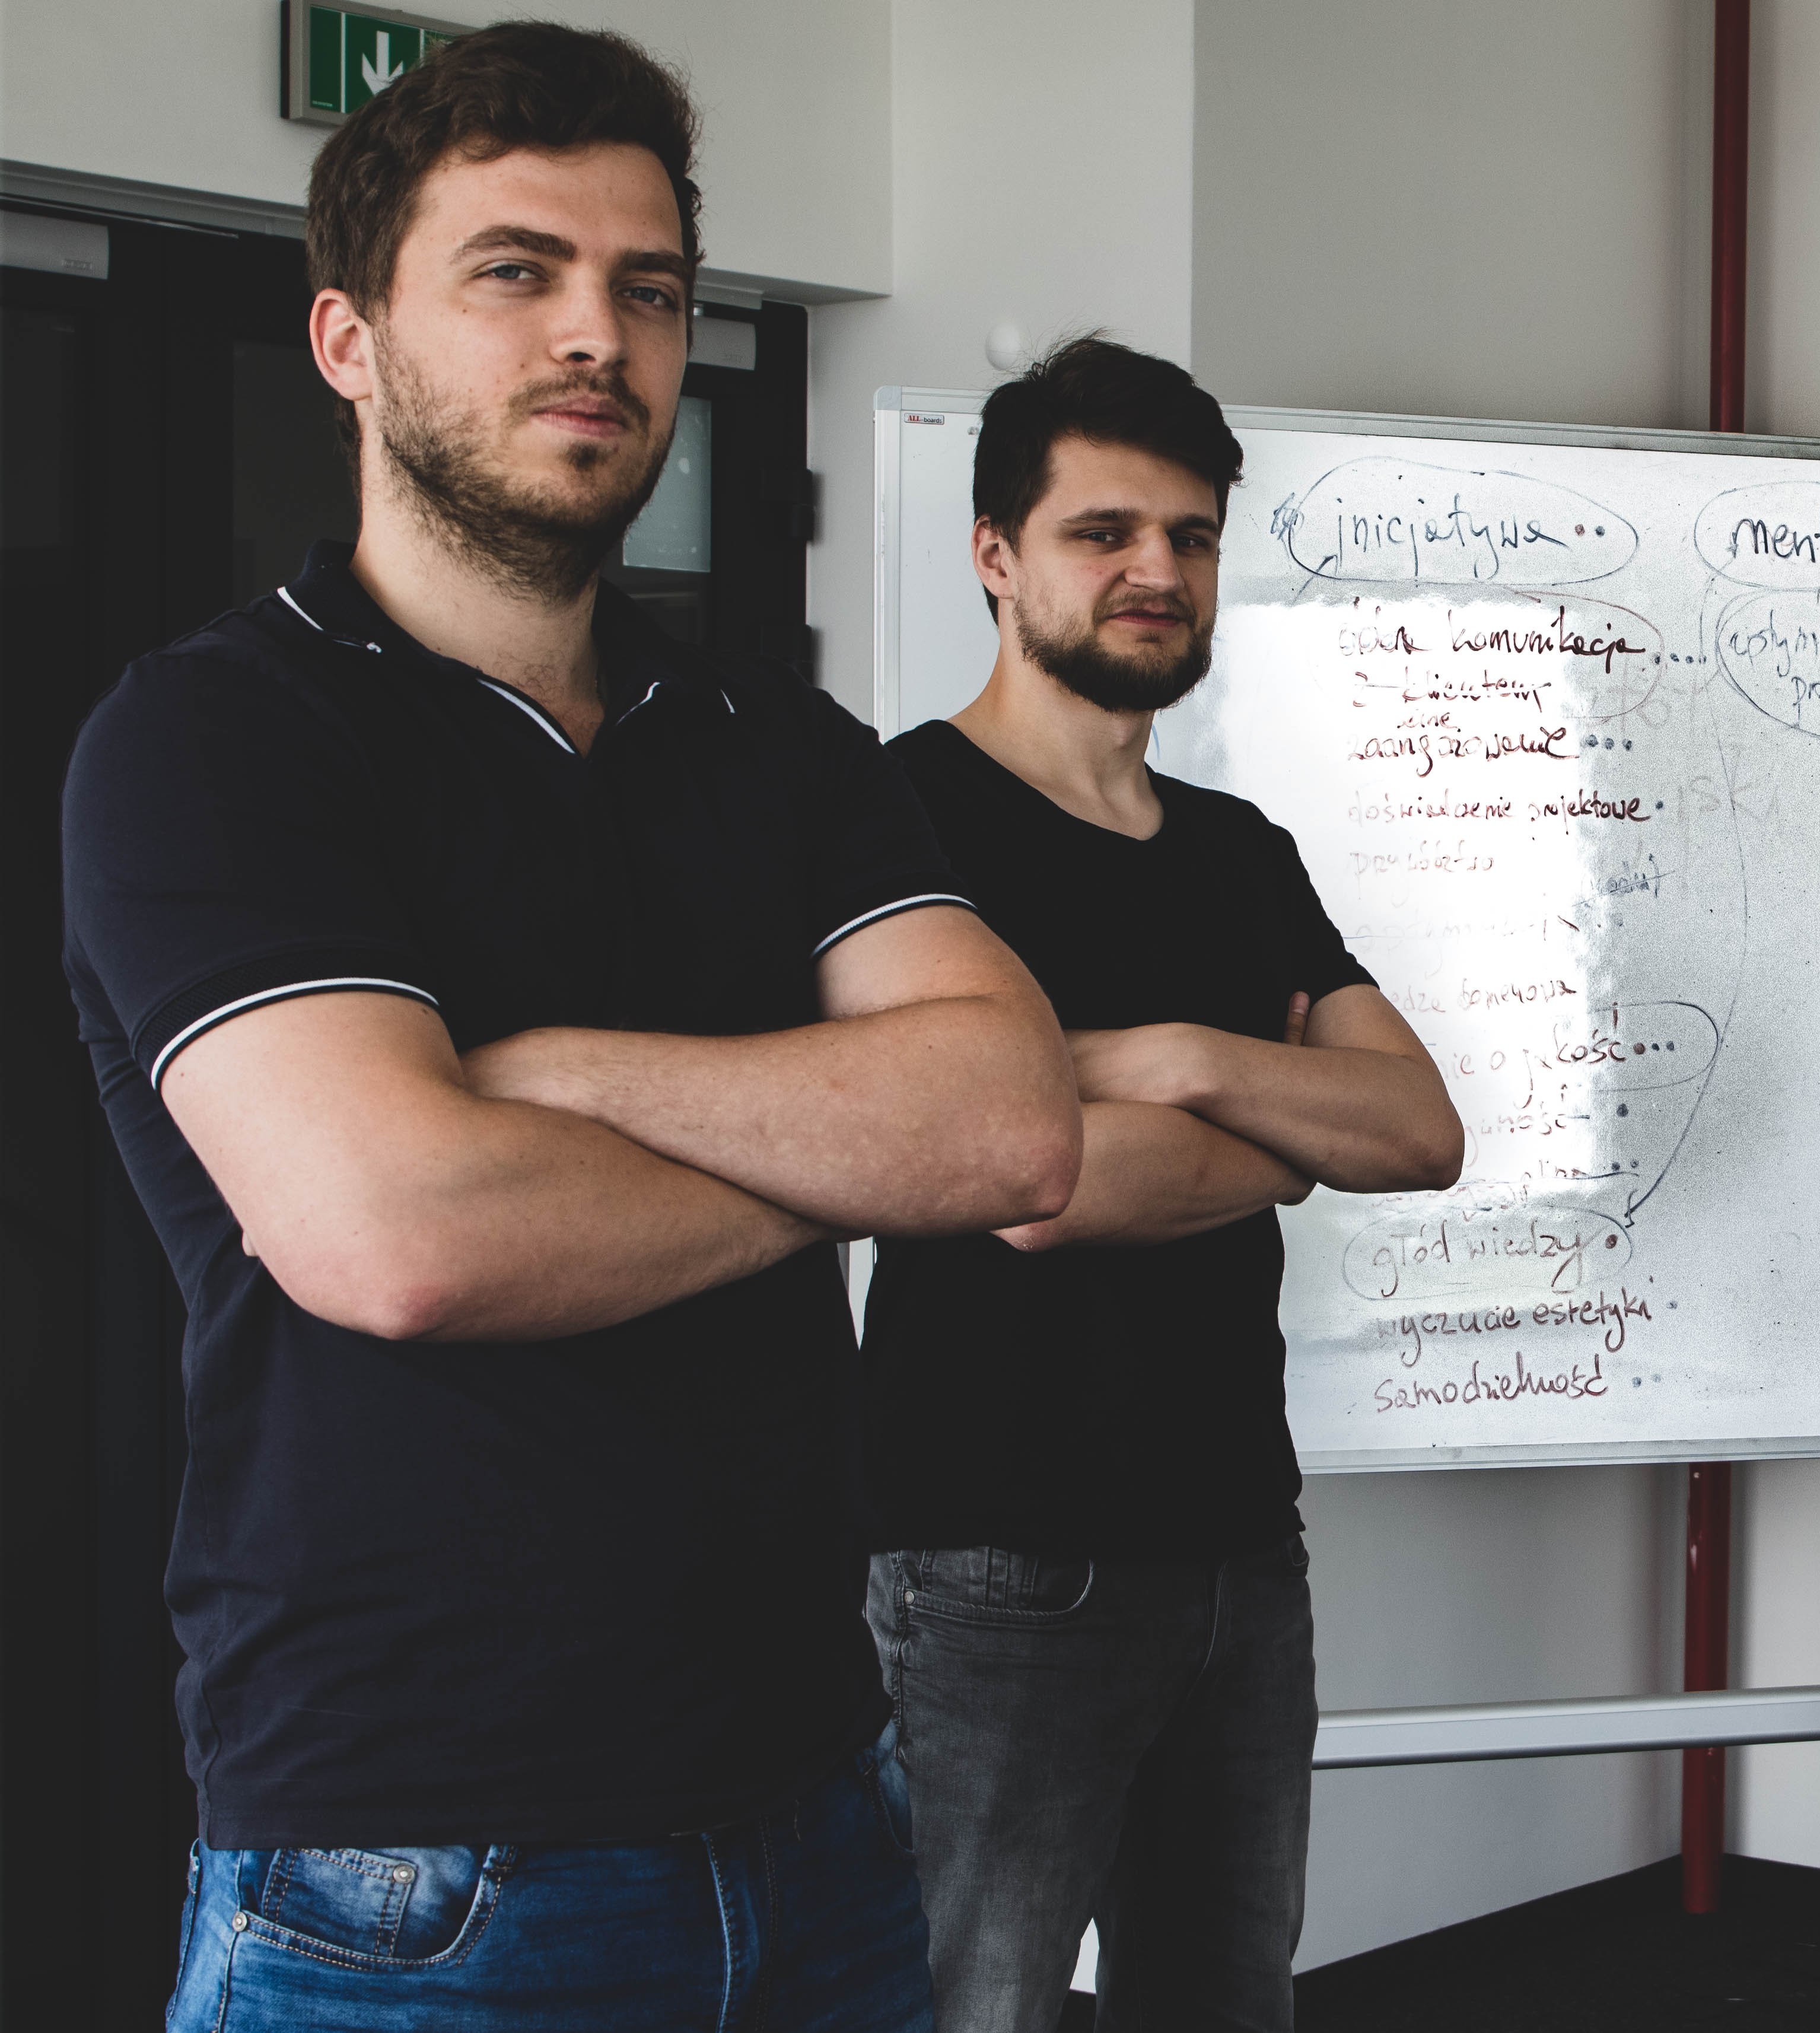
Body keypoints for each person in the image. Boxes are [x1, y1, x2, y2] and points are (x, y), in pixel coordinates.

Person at [61, 26, 1084, 2028]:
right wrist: (847, 1156)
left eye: (649, 288)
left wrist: (555, 1080)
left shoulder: (780, 745)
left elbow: (1011, 1129)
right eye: (514, 272)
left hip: (819, 1809)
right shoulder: (216, 738)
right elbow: (404, 1237)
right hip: (415, 1868)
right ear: (350, 341)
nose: (597, 334)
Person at [858, 338, 1463, 2033]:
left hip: (1238, 1550)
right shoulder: (899, 820)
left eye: (1190, 536)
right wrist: (1288, 1133)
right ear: (996, 554)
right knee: (963, 2006)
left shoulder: (1240, 852)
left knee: (1222, 2003)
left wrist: (1178, 1055)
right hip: (994, 1551)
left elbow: (1419, 1131)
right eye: (1102, 531)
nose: (1157, 570)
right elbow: (1037, 1180)